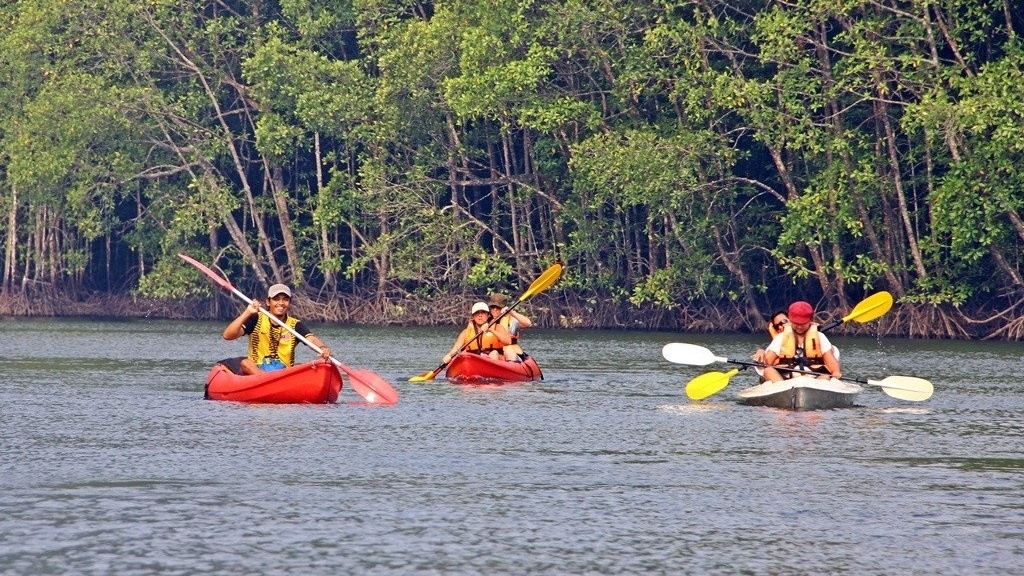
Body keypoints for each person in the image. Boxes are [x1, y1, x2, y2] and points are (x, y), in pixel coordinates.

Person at [219, 283, 333, 375]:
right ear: (268, 302)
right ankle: (266, 380)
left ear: (289, 302)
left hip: (284, 373)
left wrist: (322, 348)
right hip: (256, 371)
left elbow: (311, 340)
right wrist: (247, 312)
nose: (281, 303)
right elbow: (227, 336)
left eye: (285, 299)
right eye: (276, 299)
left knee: (305, 366)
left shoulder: (295, 324)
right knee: (245, 363)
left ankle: (277, 383)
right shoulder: (256, 318)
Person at [761, 301, 842, 382]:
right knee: (768, 371)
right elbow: (767, 362)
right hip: (786, 380)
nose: (799, 327)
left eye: (803, 323)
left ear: (811, 319)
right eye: (796, 323)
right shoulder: (781, 337)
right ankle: (783, 390)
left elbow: (831, 362)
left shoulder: (820, 336)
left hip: (813, 378)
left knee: (826, 376)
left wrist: (836, 372)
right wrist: (761, 353)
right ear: (790, 319)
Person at [442, 301, 513, 364]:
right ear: (473, 316)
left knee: (493, 354)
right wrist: (449, 355)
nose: (480, 315)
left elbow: (508, 341)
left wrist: (491, 330)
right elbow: (456, 347)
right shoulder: (466, 332)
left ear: (488, 315)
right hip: (475, 360)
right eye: (477, 313)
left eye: (483, 312)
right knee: (463, 354)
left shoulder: (497, 327)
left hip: (495, 359)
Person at [488, 293, 533, 362]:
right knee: (493, 354)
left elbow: (528, 323)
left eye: (498, 307)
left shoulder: (511, 320)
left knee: (508, 350)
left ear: (503, 308)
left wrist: (511, 312)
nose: (495, 309)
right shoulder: (486, 320)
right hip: (495, 353)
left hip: (511, 353)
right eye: (493, 307)